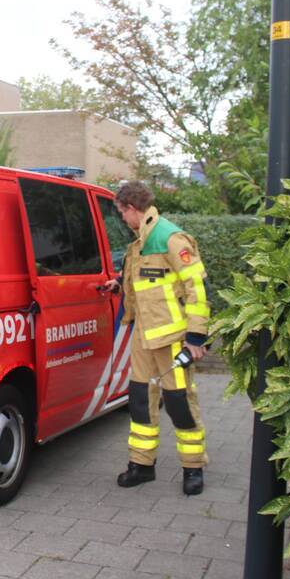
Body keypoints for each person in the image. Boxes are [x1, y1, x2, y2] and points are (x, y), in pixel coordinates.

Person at [103, 181, 210, 495]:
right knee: (139, 401)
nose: (122, 219)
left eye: (122, 213)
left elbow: (198, 289)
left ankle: (193, 469)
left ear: (133, 209)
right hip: (143, 337)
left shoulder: (171, 238)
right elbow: (147, 284)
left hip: (173, 339)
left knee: (179, 404)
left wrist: (196, 338)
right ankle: (141, 464)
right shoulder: (140, 242)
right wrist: (119, 286)